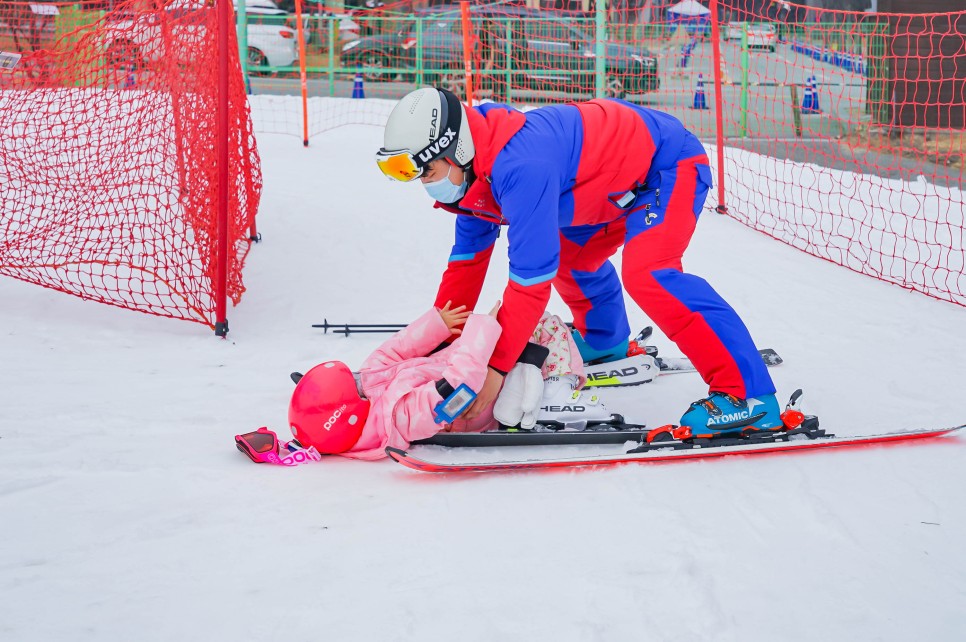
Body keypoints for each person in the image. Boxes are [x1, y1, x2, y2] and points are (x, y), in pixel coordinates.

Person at [374, 87, 782, 437]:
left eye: (422, 169)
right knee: (572, 256)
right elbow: (466, 265)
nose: (420, 181)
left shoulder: (520, 167)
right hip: (598, 189)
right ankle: (607, 342)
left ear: (456, 149)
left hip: (664, 165)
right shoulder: (470, 178)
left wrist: (495, 370)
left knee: (651, 274)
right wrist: (440, 346)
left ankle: (748, 396)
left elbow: (530, 282)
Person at [287, 302, 600, 460]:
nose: (359, 378)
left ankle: (537, 365)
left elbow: (395, 348)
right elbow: (458, 389)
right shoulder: (402, 417)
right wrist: (482, 331)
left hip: (471, 360)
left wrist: (436, 325)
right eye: (352, 384)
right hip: (488, 401)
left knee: (517, 316)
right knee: (544, 323)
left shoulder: (370, 381)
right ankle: (559, 390)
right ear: (350, 410)